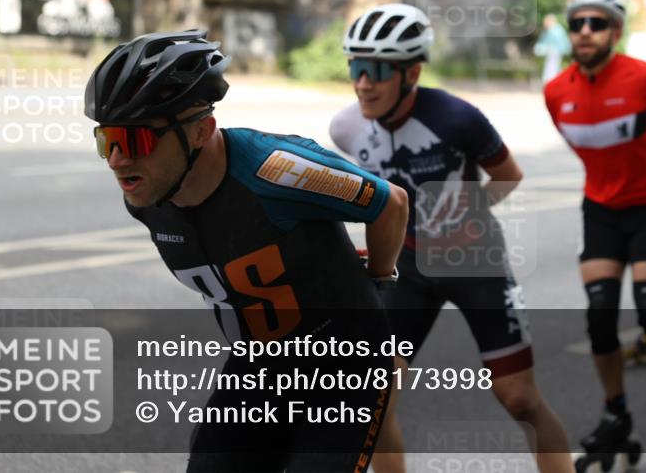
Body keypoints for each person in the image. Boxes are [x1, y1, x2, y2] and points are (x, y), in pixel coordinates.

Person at [84, 29, 409, 472]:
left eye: (138, 140)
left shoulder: (277, 170)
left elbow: (391, 203)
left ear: (202, 131)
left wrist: (379, 282)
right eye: (108, 140)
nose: (118, 160)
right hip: (257, 367)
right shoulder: (147, 195)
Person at [329, 3, 573, 473]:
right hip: (409, 268)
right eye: (356, 67)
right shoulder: (346, 127)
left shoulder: (459, 119)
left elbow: (508, 176)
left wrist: (465, 215)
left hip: (475, 261)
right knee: (372, 402)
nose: (363, 81)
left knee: (519, 398)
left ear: (412, 72)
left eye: (378, 70)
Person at [543, 0, 646, 457]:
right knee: (599, 315)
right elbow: (583, 146)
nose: (585, 31)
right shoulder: (555, 92)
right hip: (602, 209)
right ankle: (616, 411)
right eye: (577, 24)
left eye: (597, 23)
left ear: (616, 31)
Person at [534, 13, 572, 83]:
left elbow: (560, 44)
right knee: (554, 68)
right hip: (553, 53)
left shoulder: (556, 30)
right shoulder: (552, 30)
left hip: (555, 52)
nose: (544, 24)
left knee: (552, 68)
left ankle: (551, 82)